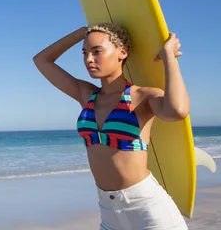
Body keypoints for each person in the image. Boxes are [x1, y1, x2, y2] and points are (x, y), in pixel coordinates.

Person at [32, 23, 190, 230]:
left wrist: (168, 56)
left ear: (122, 52)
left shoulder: (142, 96)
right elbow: (41, 60)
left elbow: (177, 111)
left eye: (97, 51)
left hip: (148, 210)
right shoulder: (86, 94)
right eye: (85, 53)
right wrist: (83, 32)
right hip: (108, 212)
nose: (88, 59)